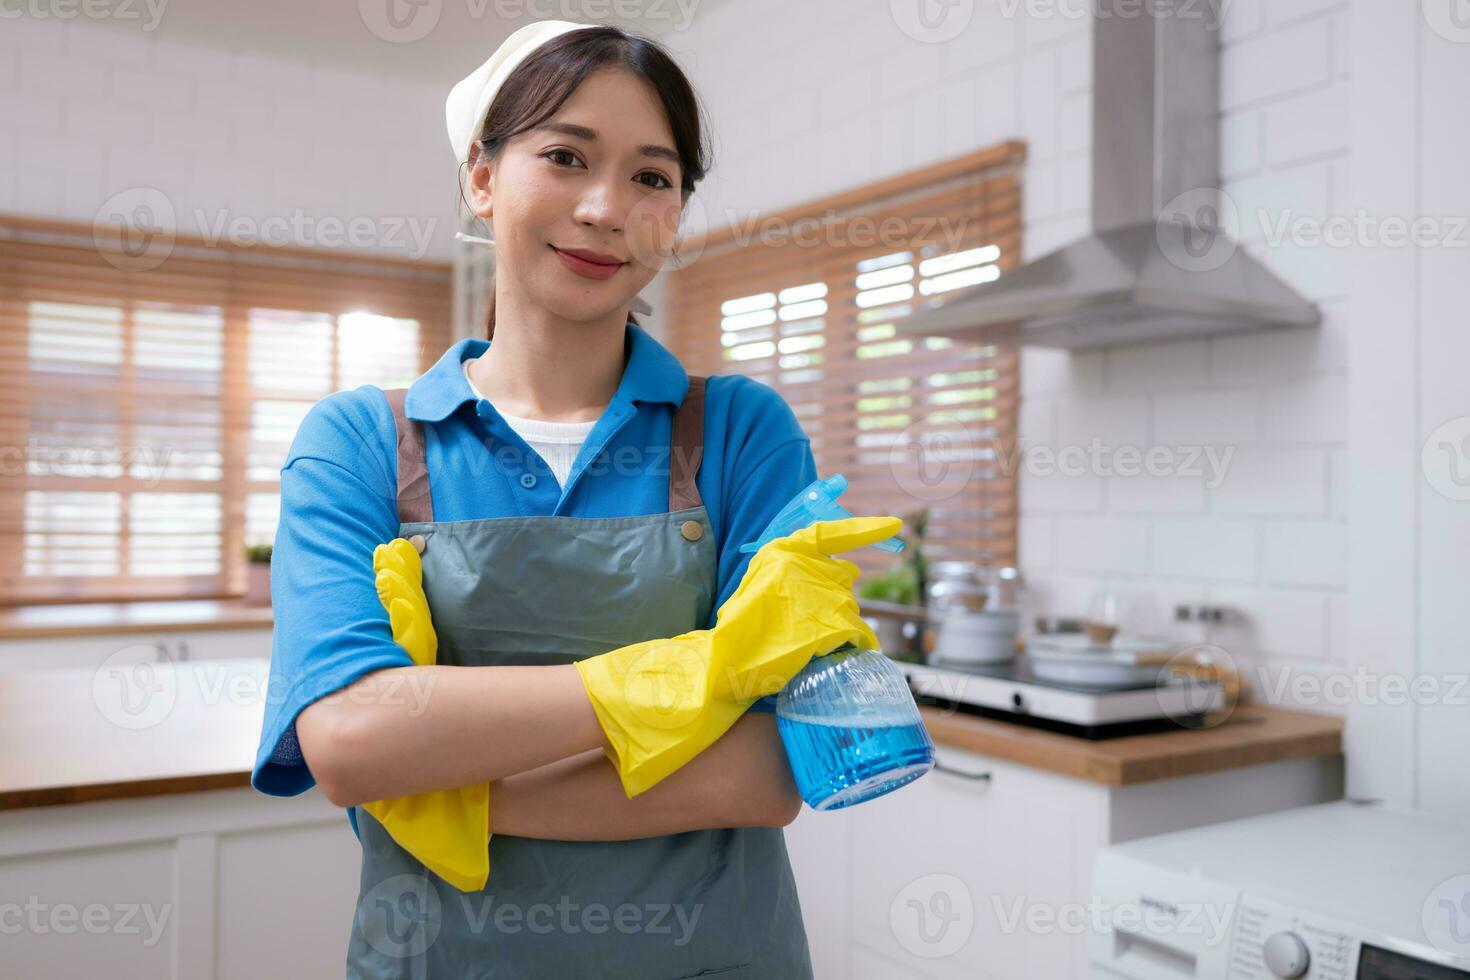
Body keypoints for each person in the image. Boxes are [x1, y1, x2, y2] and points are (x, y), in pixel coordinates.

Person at [250, 20, 895, 978]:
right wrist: (688, 679)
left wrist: (442, 788)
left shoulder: (741, 431)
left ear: (675, 214)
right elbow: (349, 739)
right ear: (481, 176)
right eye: (564, 156)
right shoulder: (360, 442)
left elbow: (774, 772)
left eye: (652, 177)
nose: (605, 208)